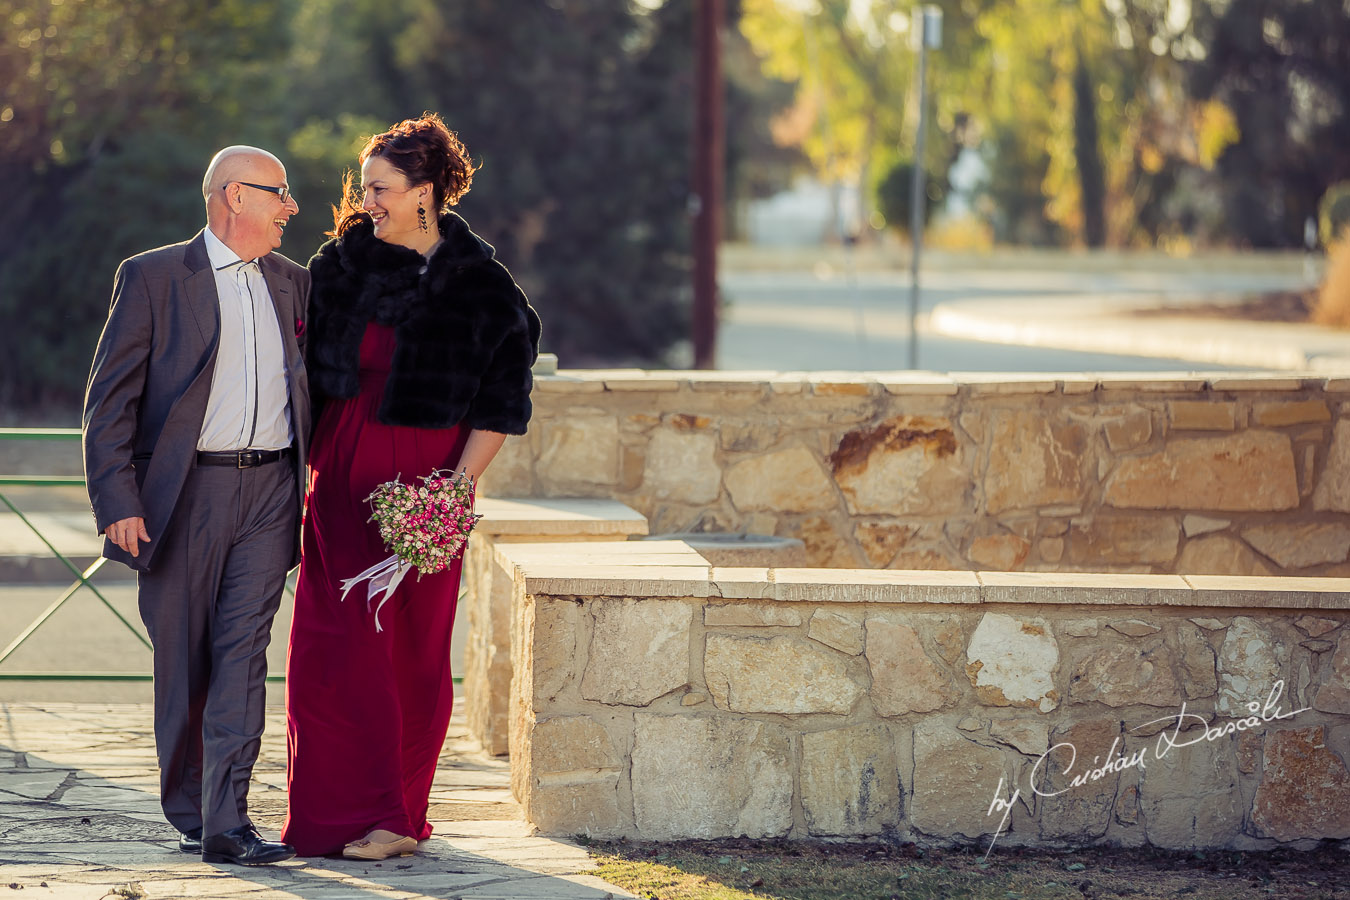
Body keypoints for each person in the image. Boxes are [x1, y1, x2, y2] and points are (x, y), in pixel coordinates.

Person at [282, 113, 540, 860]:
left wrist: (451, 494)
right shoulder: (338, 269)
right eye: (364, 186)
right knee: (331, 650)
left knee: (409, 655)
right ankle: (328, 817)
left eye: (382, 188)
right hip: (337, 489)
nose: (367, 200)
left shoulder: (484, 290)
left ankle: (396, 819)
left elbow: (499, 406)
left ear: (424, 193)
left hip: (425, 491)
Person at [82, 146, 310, 865]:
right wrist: (118, 498)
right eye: (279, 194)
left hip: (271, 492)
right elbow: (110, 403)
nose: (291, 208)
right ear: (235, 196)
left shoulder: (294, 284)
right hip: (184, 497)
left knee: (243, 654)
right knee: (183, 660)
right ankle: (190, 808)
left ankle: (227, 820)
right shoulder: (152, 277)